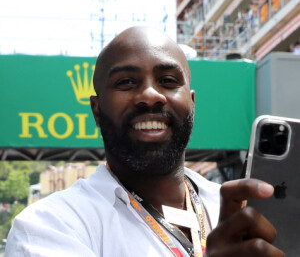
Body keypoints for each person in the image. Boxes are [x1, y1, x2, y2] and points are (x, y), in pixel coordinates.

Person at [5, 26, 284, 257]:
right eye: (126, 82)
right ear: (97, 110)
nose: (150, 95)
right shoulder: (50, 226)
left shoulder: (247, 212)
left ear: (193, 103)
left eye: (168, 80)